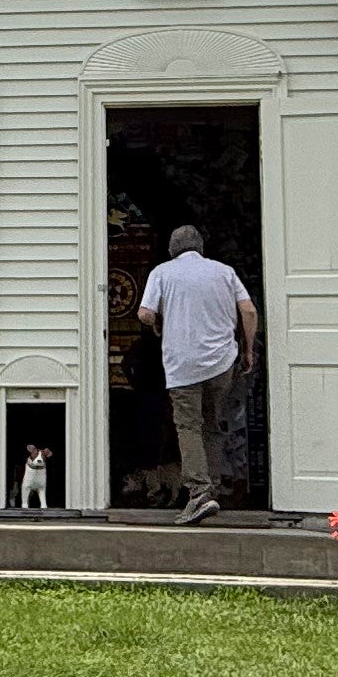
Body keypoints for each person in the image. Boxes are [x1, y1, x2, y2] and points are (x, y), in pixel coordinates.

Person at [135, 222, 259, 526]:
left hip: (183, 364)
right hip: (221, 362)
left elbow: (145, 312)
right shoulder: (224, 272)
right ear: (201, 248)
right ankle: (212, 487)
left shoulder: (162, 272)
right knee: (212, 425)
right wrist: (248, 350)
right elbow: (249, 310)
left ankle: (199, 494)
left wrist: (157, 318)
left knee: (188, 426)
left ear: (172, 249)